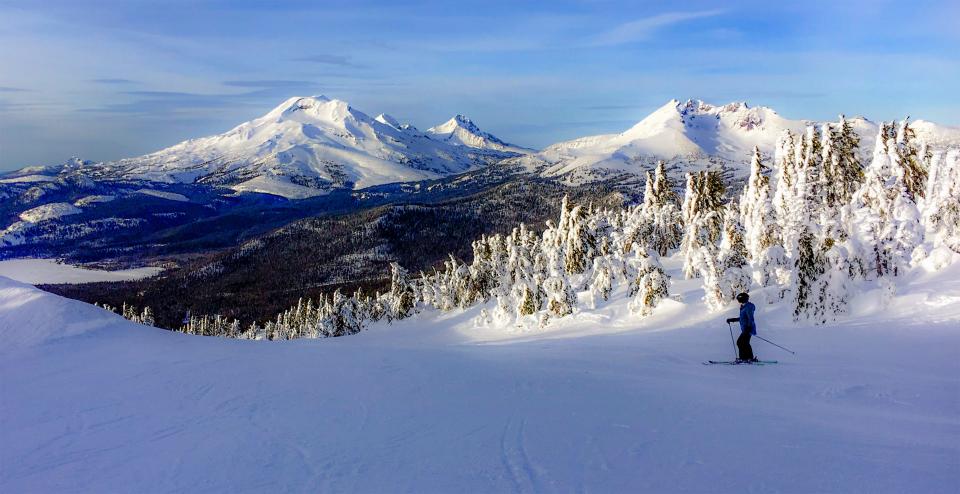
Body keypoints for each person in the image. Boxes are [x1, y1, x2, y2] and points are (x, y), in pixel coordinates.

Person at [726, 292, 758, 362]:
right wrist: (732, 319)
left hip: (748, 328)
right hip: (746, 329)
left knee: (741, 342)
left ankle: (745, 358)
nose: (738, 301)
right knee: (743, 343)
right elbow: (742, 318)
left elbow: (750, 318)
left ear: (742, 299)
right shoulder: (744, 306)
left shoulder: (748, 307)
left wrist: (748, 328)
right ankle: (747, 358)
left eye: (738, 299)